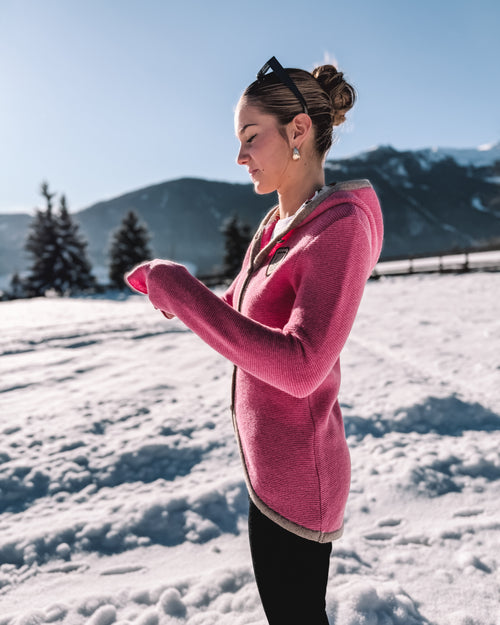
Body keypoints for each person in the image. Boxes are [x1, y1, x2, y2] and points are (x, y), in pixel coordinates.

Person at [126, 56, 383, 624]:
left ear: (298, 131)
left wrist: (185, 292)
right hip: (268, 471)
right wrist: (174, 292)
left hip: (302, 480)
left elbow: (301, 366)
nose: (239, 157)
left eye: (250, 137)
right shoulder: (275, 225)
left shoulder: (340, 230)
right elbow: (239, 317)